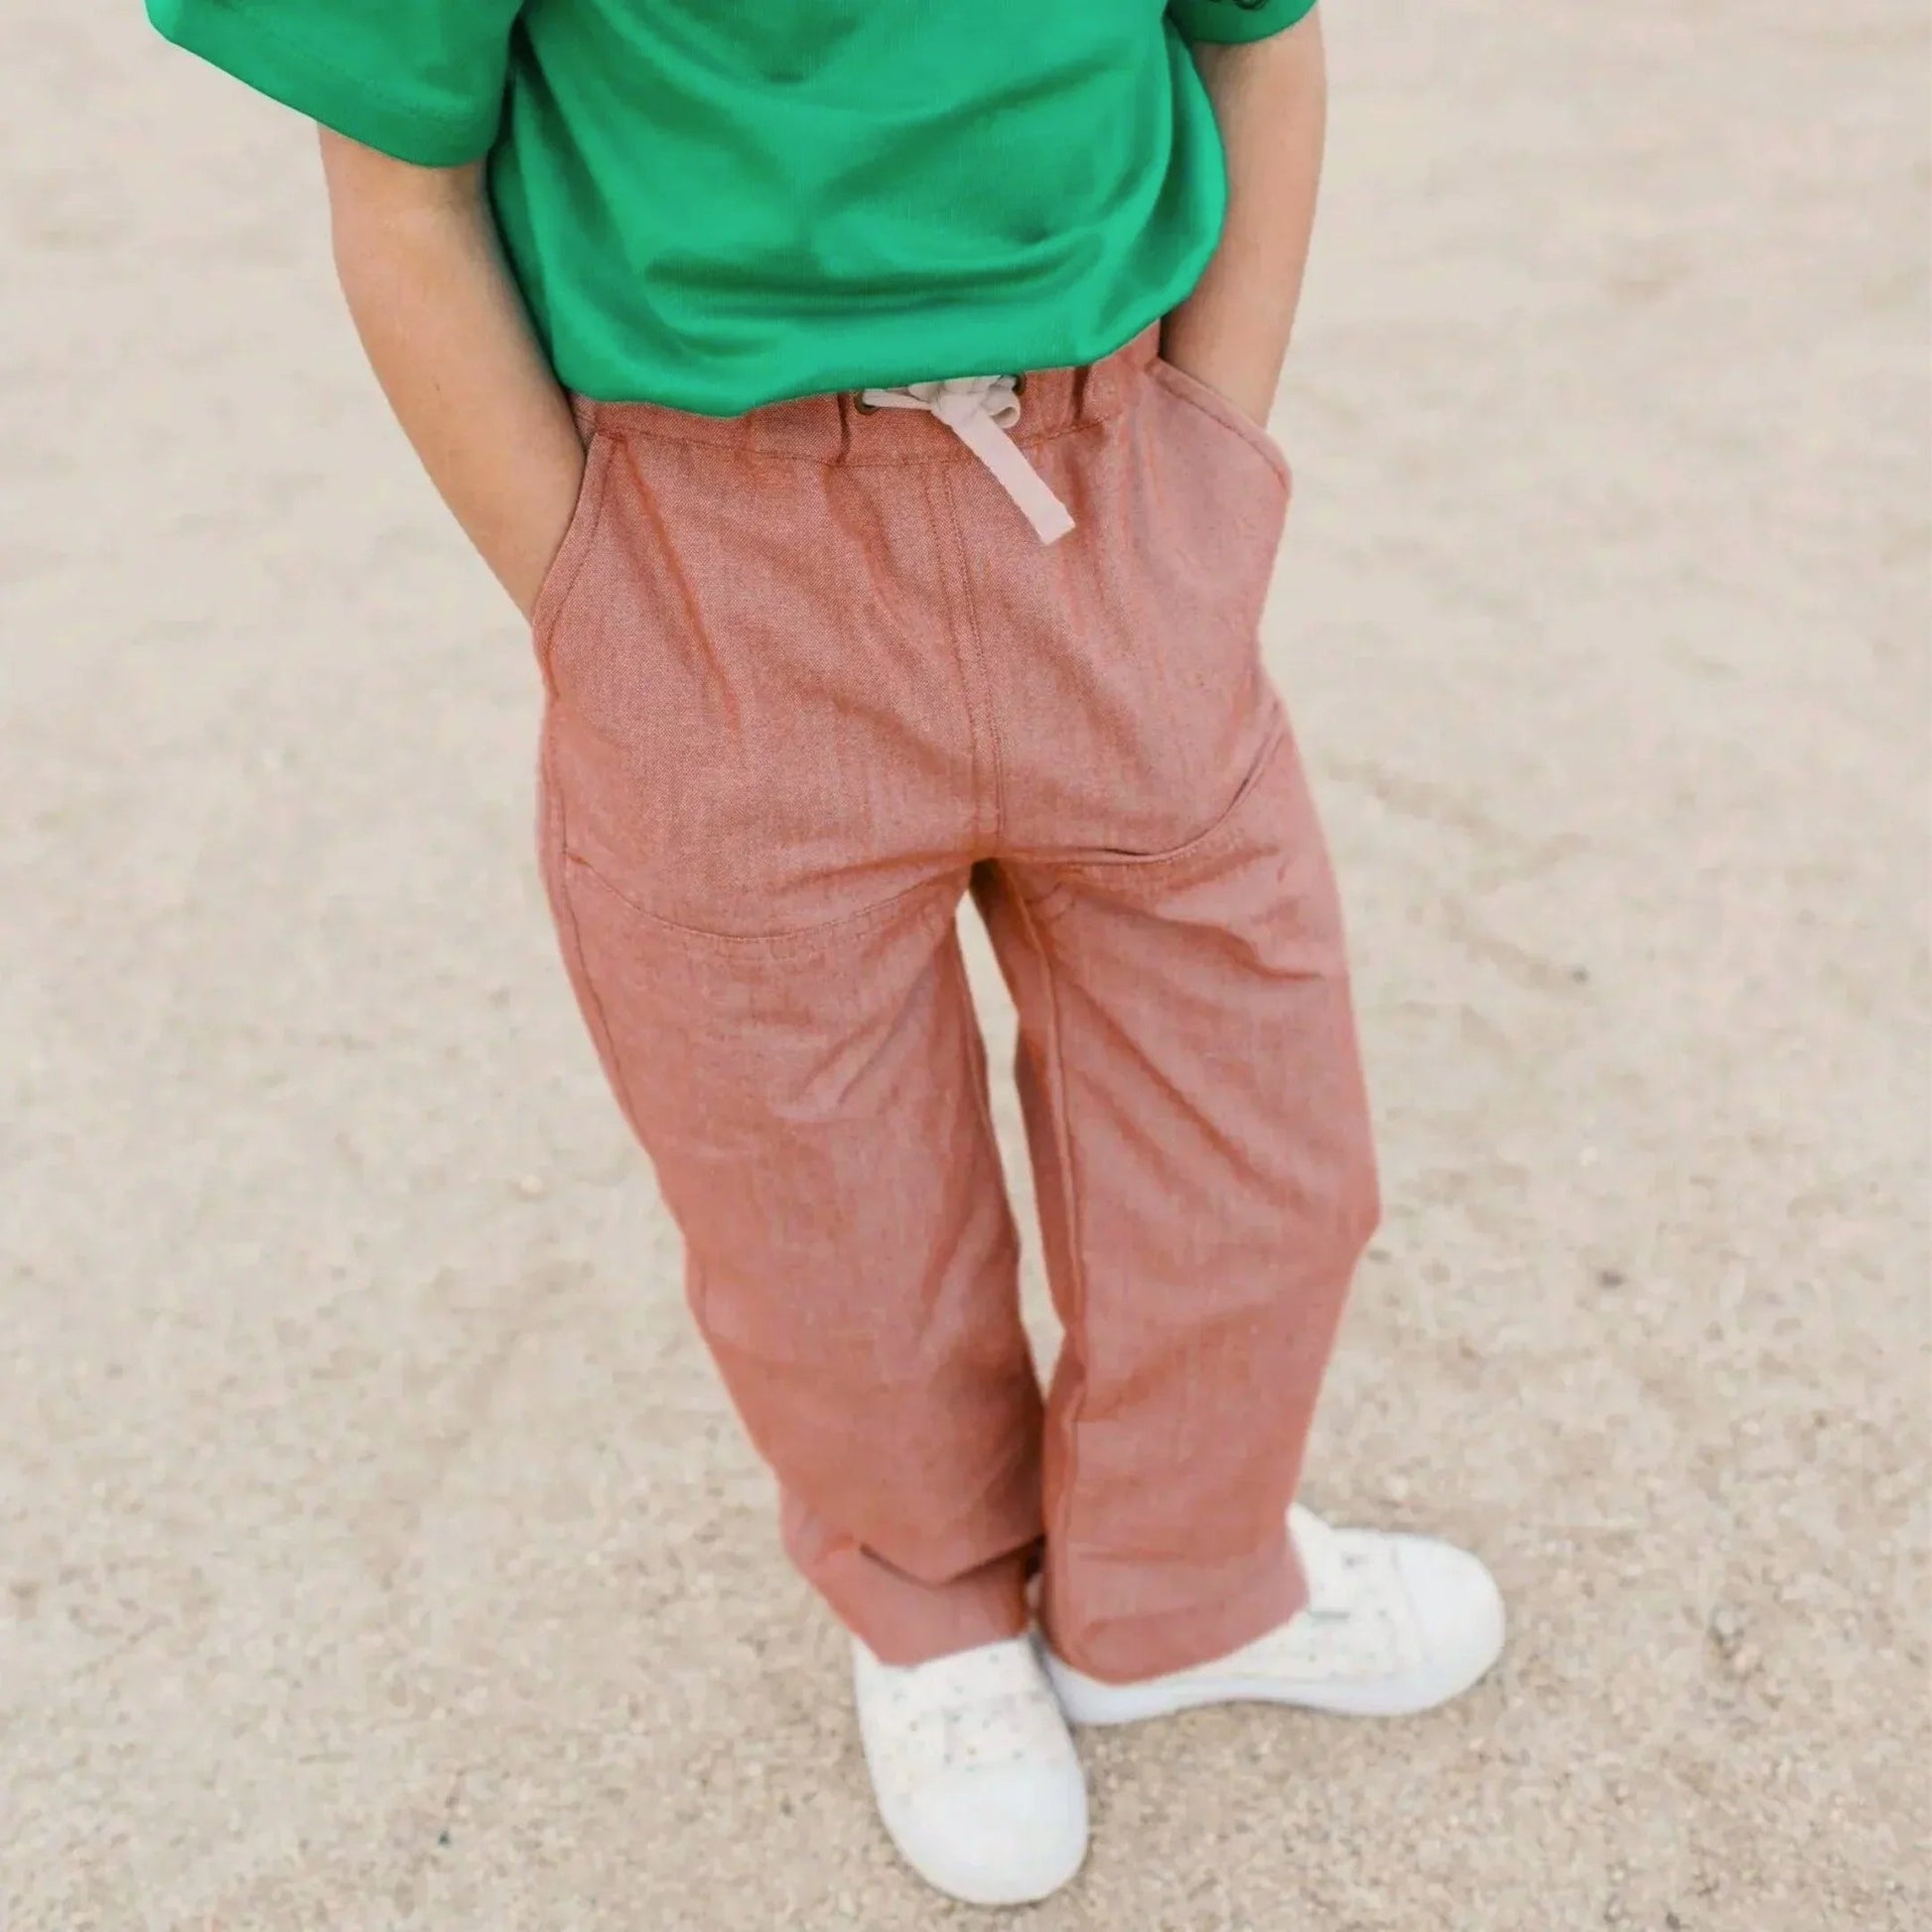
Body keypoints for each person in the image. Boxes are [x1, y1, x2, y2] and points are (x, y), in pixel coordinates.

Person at [146, 0, 1505, 1906]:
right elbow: (396, 184)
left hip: (1104, 479)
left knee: (1252, 1124)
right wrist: (592, 604)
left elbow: (1261, 45)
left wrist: (1209, 458)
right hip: (715, 541)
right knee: (810, 1177)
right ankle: (934, 1610)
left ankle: (1182, 1586)